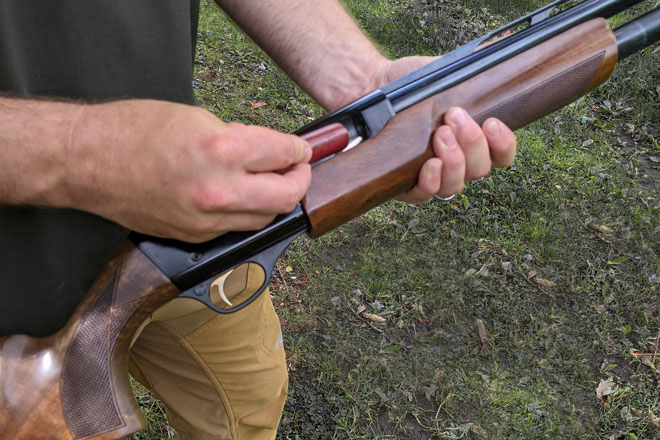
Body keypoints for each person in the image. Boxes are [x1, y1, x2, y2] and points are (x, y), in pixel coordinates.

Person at [0, 0, 516, 438]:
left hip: (196, 212)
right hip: (17, 275)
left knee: (246, 405)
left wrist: (365, 78)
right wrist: (83, 154)